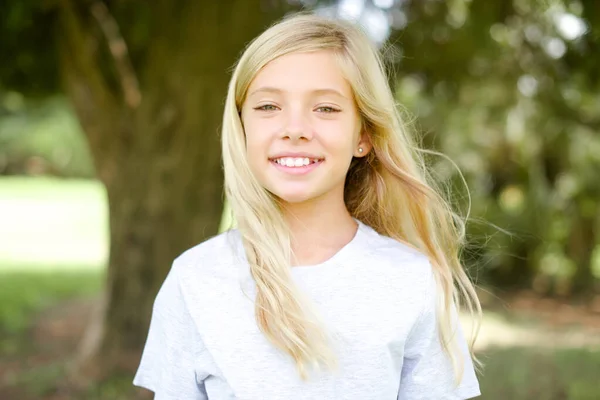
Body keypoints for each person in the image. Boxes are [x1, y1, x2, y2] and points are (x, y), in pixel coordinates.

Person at [133, 12, 482, 400]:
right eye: (268, 107)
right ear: (242, 127)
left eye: (326, 109)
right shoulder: (195, 279)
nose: (294, 128)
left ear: (362, 136)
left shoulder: (412, 280)